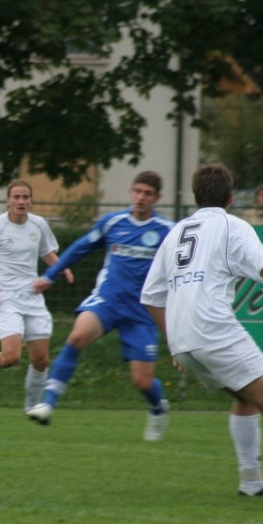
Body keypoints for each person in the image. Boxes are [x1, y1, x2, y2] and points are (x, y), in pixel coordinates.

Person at [141, 164, 263, 505]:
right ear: (230, 197)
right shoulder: (232, 226)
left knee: (246, 399)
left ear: (197, 197)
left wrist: (173, 340)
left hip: (184, 338)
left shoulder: (176, 232)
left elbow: (151, 298)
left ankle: (250, 480)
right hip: (213, 329)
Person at [29, 171, 174, 441]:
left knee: (142, 382)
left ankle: (158, 408)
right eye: (137, 191)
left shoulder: (168, 231)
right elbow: (80, 247)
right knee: (76, 336)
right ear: (132, 192)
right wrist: (50, 276)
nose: (141, 197)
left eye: (147, 193)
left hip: (142, 312)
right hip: (108, 301)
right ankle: (48, 403)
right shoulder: (113, 223)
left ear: (157, 198)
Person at [0, 180, 74, 413]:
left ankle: (31, 408)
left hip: (33, 297)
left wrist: (62, 267)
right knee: (12, 357)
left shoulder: (39, 225)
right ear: (8, 200)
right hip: (5, 299)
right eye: (17, 197)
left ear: (31, 200)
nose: (21, 201)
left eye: (26, 197)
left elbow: (47, 252)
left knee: (41, 359)